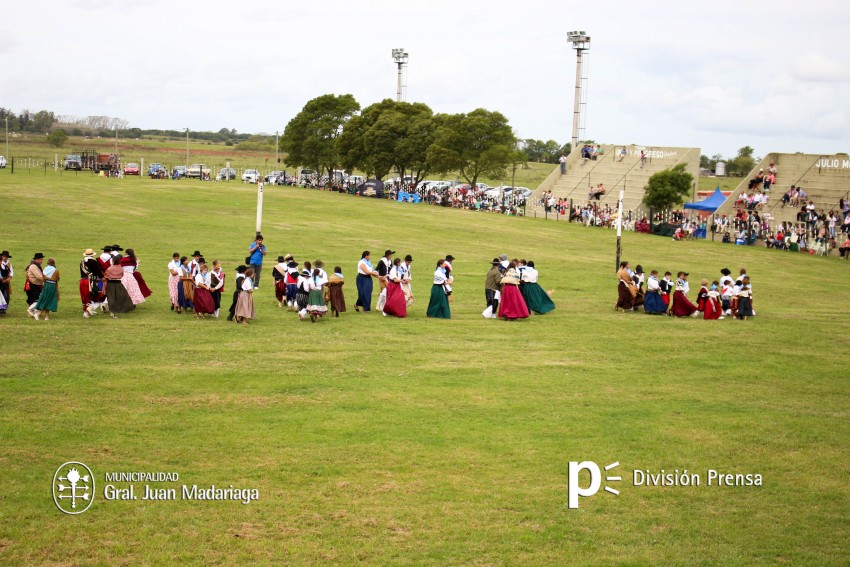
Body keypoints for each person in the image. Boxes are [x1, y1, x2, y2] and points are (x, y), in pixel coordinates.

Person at [79, 248, 104, 318]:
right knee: (94, 295)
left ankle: (86, 313)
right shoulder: (93, 261)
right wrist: (103, 277)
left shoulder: (82, 261)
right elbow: (98, 271)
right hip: (90, 281)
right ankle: (89, 309)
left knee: (84, 296)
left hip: (83, 280)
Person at [25, 253, 45, 317]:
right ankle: (32, 311)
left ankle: (32, 312)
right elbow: (38, 276)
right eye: (41, 259)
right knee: (35, 299)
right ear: (37, 259)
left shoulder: (36, 265)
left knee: (34, 299)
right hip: (32, 285)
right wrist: (46, 279)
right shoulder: (34, 266)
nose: (42, 261)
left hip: (35, 285)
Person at [0, 250, 13, 315]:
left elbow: (11, 273)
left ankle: (4, 309)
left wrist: (8, 279)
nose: (4, 258)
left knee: (6, 295)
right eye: (3, 256)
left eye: (6, 256)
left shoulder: (9, 264)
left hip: (6, 281)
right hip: (0, 281)